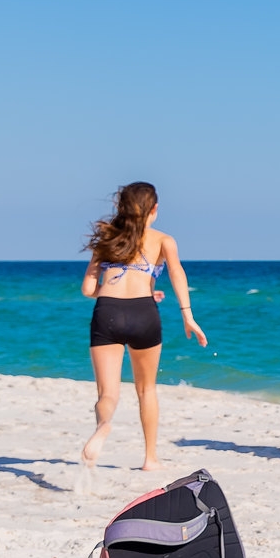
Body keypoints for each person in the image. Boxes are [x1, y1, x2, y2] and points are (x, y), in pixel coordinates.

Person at [78, 182, 206, 471]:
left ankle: (103, 425)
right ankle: (150, 459)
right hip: (144, 313)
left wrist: (111, 293)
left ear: (121, 207)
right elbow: (177, 274)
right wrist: (187, 316)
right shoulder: (164, 240)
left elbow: (88, 289)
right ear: (154, 209)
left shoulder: (108, 238)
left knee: (107, 394)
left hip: (107, 313)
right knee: (147, 390)